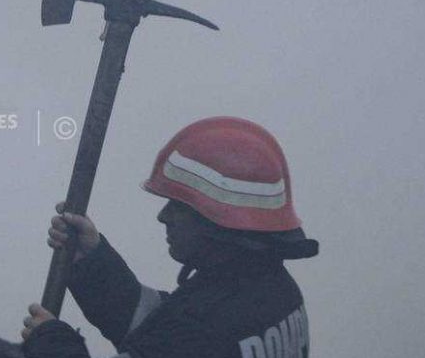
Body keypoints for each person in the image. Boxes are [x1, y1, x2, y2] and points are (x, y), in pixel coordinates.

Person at [21, 117, 319, 358]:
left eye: (178, 206)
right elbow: (162, 327)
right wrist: (93, 263)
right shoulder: (276, 292)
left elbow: (181, 338)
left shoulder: (203, 326)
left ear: (217, 222)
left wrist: (52, 345)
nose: (163, 217)